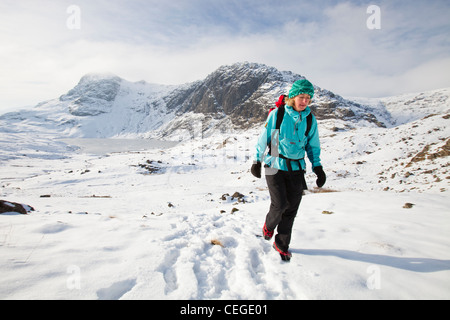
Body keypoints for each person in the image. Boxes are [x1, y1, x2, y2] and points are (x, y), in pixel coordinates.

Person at [251, 79, 326, 261]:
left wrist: (318, 167)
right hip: (275, 163)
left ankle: (281, 244)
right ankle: (268, 227)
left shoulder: (309, 119)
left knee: (291, 209)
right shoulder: (279, 114)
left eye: (308, 98)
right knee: (280, 204)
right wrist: (256, 160)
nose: (304, 101)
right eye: (301, 97)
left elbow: (312, 146)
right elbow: (266, 138)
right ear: (293, 97)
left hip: (297, 167)